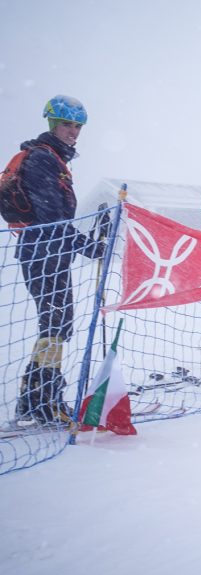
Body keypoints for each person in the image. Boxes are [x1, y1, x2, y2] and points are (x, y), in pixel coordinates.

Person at [10, 95, 105, 424]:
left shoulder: (55, 159)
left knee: (56, 325)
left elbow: (58, 221)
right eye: (67, 124)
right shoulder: (43, 159)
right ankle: (44, 399)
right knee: (56, 324)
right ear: (52, 123)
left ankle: (34, 398)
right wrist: (91, 247)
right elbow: (53, 219)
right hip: (43, 253)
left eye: (78, 126)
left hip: (52, 252)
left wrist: (88, 243)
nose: (74, 132)